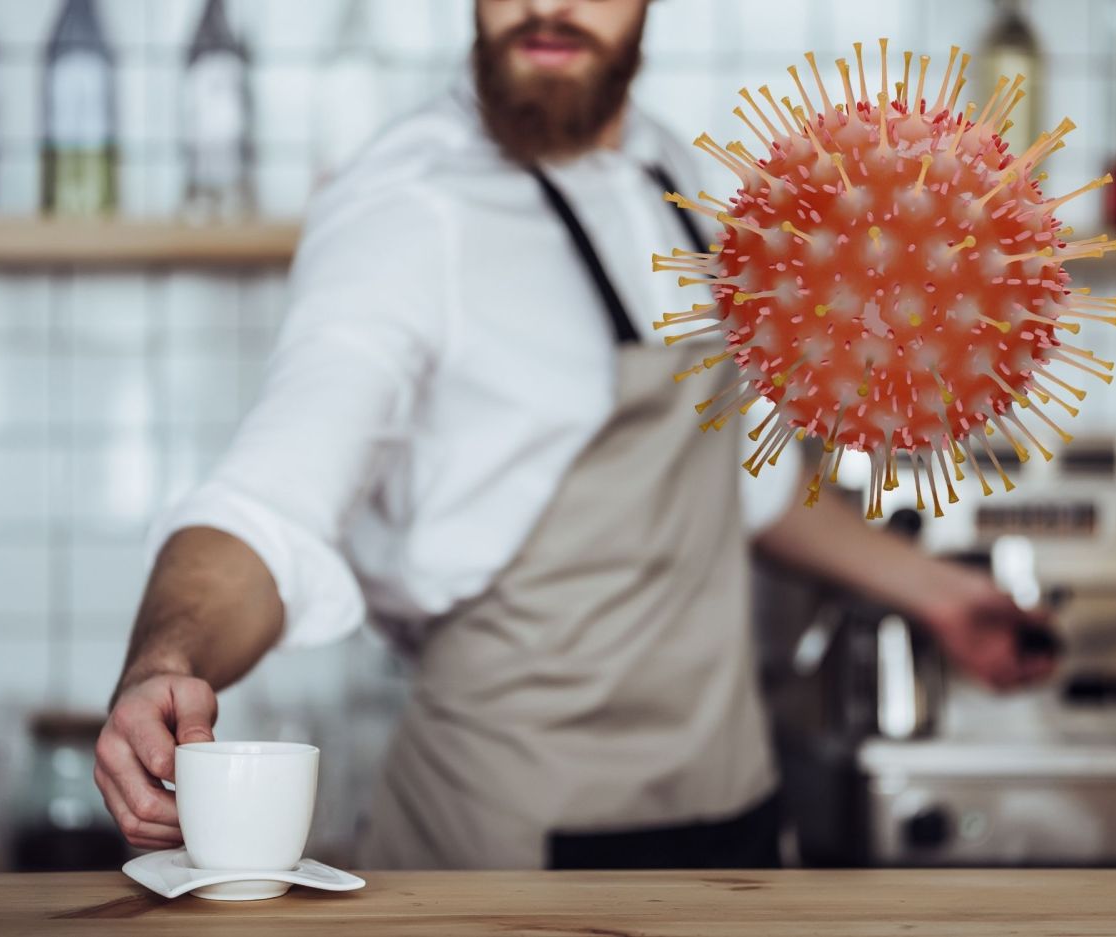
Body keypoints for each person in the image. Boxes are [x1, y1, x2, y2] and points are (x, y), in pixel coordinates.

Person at [94, 0, 1055, 870]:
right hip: (511, 834)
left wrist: (935, 593)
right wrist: (167, 665)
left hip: (733, 812)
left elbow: (733, 490)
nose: (547, 6)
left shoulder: (670, 172)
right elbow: (267, 508)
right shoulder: (407, 211)